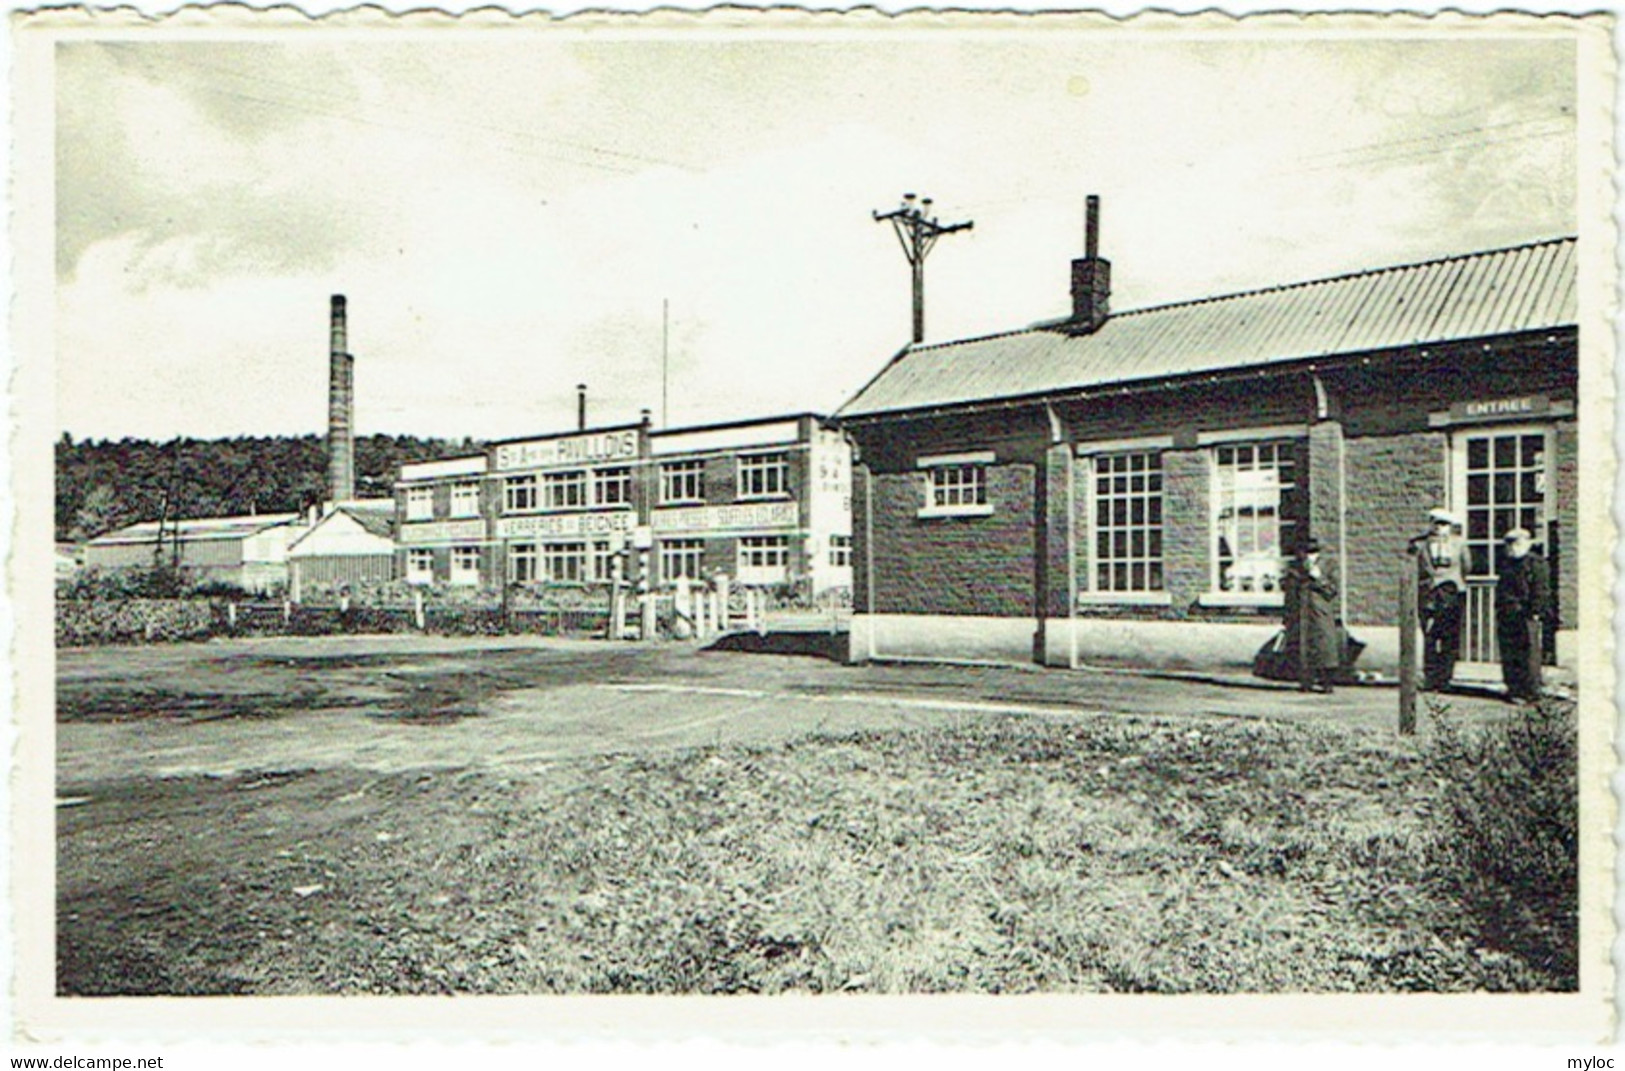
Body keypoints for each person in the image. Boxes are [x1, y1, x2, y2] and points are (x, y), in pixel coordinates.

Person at [1412, 507, 1471, 691]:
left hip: (1452, 593)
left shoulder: (1459, 544)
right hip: (1428, 594)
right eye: (1436, 523)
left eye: (1444, 524)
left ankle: (1445, 678)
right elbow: (1415, 568)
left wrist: (1455, 582)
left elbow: (1467, 566)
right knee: (1430, 636)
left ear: (1450, 527)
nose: (1439, 528)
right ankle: (1430, 678)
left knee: (1449, 636)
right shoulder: (1419, 545)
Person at [1496, 527, 1551, 702]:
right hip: (1507, 614)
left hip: (1526, 614)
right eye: (1509, 544)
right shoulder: (1506, 563)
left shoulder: (1536, 563)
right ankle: (1514, 688)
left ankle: (1530, 691)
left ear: (1527, 544)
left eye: (1517, 543)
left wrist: (1535, 611)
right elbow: (1502, 588)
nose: (1513, 548)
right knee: (1509, 652)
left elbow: (1541, 590)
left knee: (1528, 653)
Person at [1281, 536, 1340, 693]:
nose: (1307, 556)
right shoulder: (1295, 568)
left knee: (1324, 647)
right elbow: (1289, 593)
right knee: (1302, 648)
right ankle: (1305, 681)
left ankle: (1327, 682)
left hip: (1320, 613)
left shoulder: (1328, 566)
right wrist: (1287, 614)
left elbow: (1332, 591)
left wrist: (1319, 578)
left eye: (1312, 553)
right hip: (1301, 614)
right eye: (1305, 552)